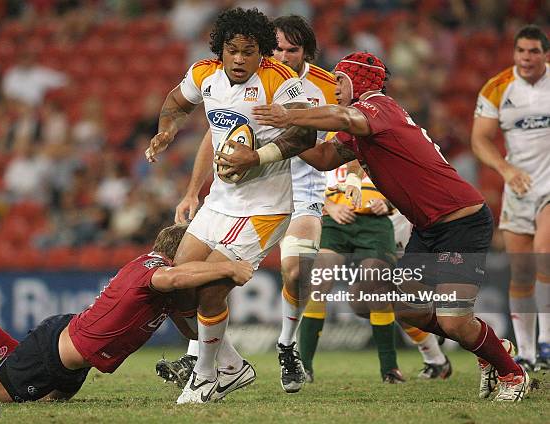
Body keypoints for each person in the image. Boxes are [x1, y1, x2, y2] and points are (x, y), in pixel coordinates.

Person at [218, 51, 530, 402]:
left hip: (462, 221)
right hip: (428, 229)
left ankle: (512, 373)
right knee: (407, 307)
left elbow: (342, 116)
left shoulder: (379, 106)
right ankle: (492, 349)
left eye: (339, 79)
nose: (334, 87)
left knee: (455, 321)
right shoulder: (362, 125)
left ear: (359, 80)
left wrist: (290, 112)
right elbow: (322, 159)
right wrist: (279, 133)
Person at [156, 14, 335, 394]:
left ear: (262, 54)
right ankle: (233, 365)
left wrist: (258, 157)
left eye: (248, 52)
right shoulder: (204, 73)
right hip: (218, 202)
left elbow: (305, 135)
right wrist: (166, 129)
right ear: (220, 50)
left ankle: (205, 376)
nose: (238, 60)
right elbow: (176, 102)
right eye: (231, 51)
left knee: (210, 289)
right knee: (177, 286)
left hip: (263, 208)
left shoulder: (279, 81)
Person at [0, 224, 254, 403]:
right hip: (54, 352)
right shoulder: (153, 268)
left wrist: (212, 301)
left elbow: (192, 330)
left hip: (75, 362)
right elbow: (174, 277)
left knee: (38, 401)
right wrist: (227, 267)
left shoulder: (166, 290)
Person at [299, 154, 452, 383]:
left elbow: (414, 182)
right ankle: (303, 368)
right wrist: (330, 206)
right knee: (328, 285)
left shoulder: (388, 139)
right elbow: (304, 180)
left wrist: (389, 203)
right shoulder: (324, 136)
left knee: (380, 292)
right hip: (335, 220)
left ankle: (397, 367)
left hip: (387, 224)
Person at [471, 24, 550, 372]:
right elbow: (480, 140)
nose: (527, 57)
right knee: (520, 272)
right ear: (514, 53)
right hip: (519, 186)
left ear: (546, 54)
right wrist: (505, 171)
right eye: (522, 51)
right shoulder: (498, 87)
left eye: (534, 51)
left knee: (543, 257)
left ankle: (547, 342)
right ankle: (529, 352)